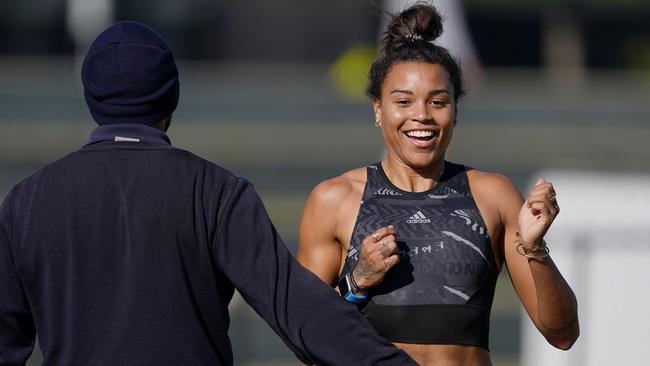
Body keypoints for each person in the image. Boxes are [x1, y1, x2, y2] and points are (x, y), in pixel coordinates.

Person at [0, 21, 417, 366]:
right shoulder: (214, 191)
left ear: (91, 98)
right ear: (172, 96)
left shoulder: (25, 202)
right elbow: (299, 310)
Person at [297, 4, 579, 366]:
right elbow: (305, 343)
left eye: (438, 101)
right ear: (378, 109)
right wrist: (356, 282)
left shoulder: (492, 195)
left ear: (456, 111)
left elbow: (563, 334)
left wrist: (534, 246)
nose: (422, 116)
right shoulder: (334, 199)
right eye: (403, 101)